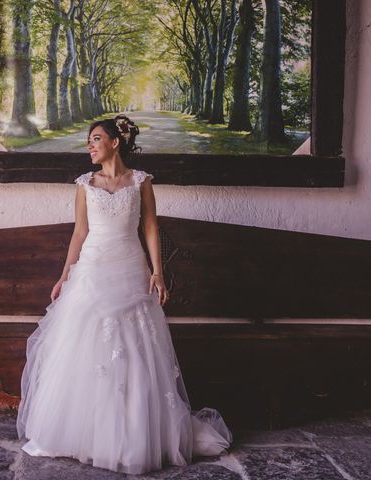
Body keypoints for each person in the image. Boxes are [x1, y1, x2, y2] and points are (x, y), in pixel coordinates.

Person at [16, 114, 232, 475]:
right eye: (89, 140)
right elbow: (79, 232)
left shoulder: (141, 182)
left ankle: (134, 434)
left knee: (134, 350)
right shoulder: (85, 184)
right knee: (86, 348)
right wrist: (64, 274)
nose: (90, 145)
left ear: (116, 142)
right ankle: (86, 433)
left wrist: (159, 272)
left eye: (96, 138)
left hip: (132, 270)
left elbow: (150, 227)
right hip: (93, 271)